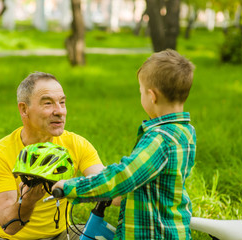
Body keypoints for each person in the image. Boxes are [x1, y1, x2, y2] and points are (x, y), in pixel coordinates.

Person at [53, 49, 196, 239]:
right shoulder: (185, 131)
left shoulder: (160, 139)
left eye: (141, 91)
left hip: (152, 233)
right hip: (171, 226)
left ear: (152, 96)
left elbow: (125, 176)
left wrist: (72, 187)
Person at [0, 72, 104, 240]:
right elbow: (8, 225)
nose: (60, 111)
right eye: (48, 103)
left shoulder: (77, 144)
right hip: (9, 238)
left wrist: (133, 176)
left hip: (61, 235)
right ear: (24, 109)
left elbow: (107, 185)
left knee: (99, 236)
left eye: (62, 102)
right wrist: (27, 202)